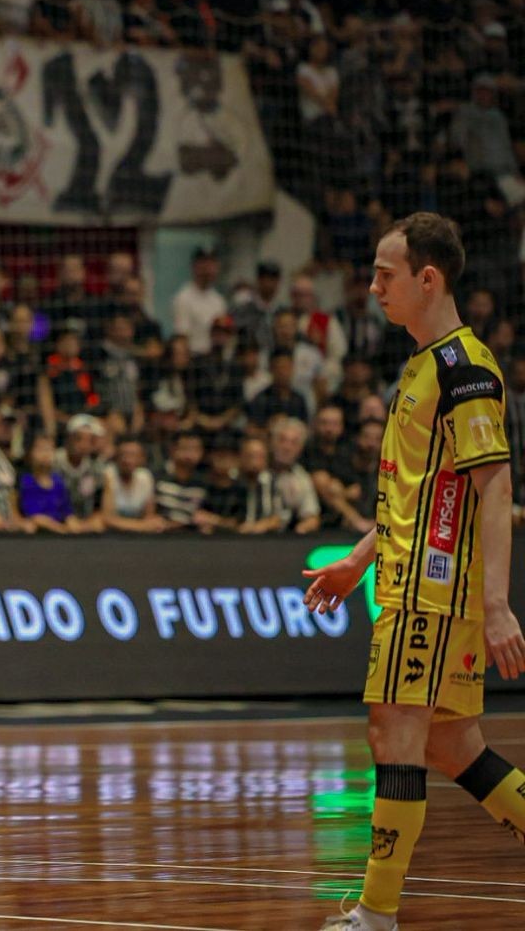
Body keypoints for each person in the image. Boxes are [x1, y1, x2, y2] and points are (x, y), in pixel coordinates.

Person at [304, 213, 523, 931]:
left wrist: (497, 606)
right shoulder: (422, 365)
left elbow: (493, 485)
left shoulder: (464, 369)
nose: (373, 288)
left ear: (428, 279)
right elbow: (419, 494)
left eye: (384, 275)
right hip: (409, 580)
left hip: (432, 592)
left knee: (390, 732)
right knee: (449, 745)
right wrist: (356, 561)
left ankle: (376, 913)